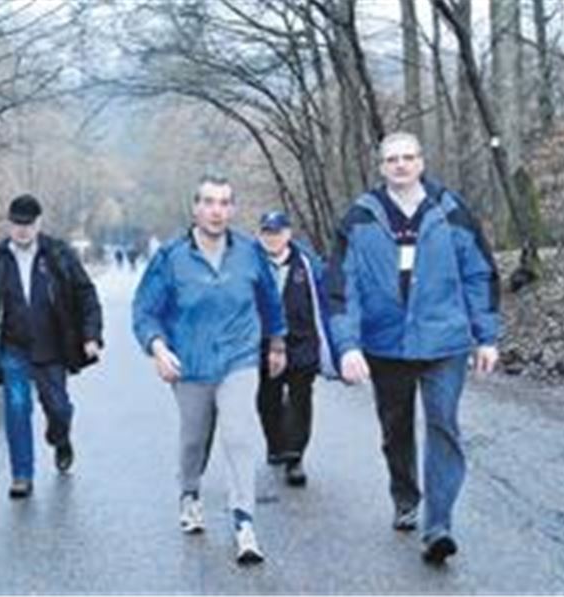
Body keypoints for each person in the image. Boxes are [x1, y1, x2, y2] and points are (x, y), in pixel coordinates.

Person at [326, 132, 501, 565]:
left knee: (443, 427)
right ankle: (405, 495)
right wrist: (347, 345)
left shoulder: (451, 211)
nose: (401, 165)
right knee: (396, 428)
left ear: (421, 162)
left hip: (445, 342)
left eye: (408, 157)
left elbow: (479, 274)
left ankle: (438, 526)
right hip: (385, 345)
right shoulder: (360, 217)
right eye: (392, 159)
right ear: (381, 167)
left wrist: (487, 336)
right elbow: (342, 288)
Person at [132, 173, 287, 565]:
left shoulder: (250, 253)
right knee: (194, 439)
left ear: (232, 209)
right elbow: (145, 310)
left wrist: (277, 342)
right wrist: (157, 347)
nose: (216, 211)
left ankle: (244, 522)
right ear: (195, 208)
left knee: (237, 435)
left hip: (239, 358)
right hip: (190, 363)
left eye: (223, 203)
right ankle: (189, 493)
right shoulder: (171, 257)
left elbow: (270, 301)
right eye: (209, 202)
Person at [0, 194, 103, 499]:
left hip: (52, 348)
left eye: (28, 224)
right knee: (17, 407)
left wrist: (91, 336)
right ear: (8, 224)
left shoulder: (59, 255)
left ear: (39, 223)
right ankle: (21, 475)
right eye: (16, 224)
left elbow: (86, 295)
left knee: (59, 409)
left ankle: (60, 436)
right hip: (14, 349)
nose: (22, 230)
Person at [254, 210, 335, 487]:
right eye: (267, 232)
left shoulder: (307, 264)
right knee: (268, 399)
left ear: (288, 234)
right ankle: (276, 443)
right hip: (263, 345)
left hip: (302, 342)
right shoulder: (251, 264)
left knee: (301, 399)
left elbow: (326, 299)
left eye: (277, 232)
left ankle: (295, 456)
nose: (272, 238)